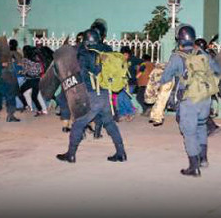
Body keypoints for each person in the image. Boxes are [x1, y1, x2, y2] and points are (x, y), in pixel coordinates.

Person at [159, 24, 221, 177]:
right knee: (201, 127)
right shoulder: (202, 53)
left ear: (179, 39)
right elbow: (218, 71)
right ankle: (204, 159)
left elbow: (165, 78)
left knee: (189, 133)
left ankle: (194, 167)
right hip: (206, 99)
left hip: (189, 101)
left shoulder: (176, 56)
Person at [56, 29, 127, 163]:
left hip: (93, 95)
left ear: (86, 41)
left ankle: (70, 154)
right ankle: (121, 152)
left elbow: (81, 75)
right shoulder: (107, 50)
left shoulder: (84, 54)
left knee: (78, 124)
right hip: (106, 95)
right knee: (110, 124)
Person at [194, 38, 221, 137]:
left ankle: (210, 127)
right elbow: (218, 70)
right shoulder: (208, 56)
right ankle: (211, 126)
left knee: (199, 108)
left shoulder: (198, 56)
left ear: (196, 46)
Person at [17, 46, 45, 116]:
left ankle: (26, 105)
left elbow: (25, 70)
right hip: (37, 80)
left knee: (19, 91)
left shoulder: (25, 60)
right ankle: (40, 110)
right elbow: (40, 70)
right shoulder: (38, 59)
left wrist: (21, 72)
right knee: (34, 96)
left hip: (30, 80)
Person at [117, 46, 141, 122]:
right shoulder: (119, 61)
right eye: (123, 54)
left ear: (129, 54)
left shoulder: (133, 59)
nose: (125, 56)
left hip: (131, 83)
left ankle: (131, 112)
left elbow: (143, 62)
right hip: (121, 83)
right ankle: (123, 114)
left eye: (126, 54)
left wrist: (140, 69)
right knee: (120, 98)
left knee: (126, 97)